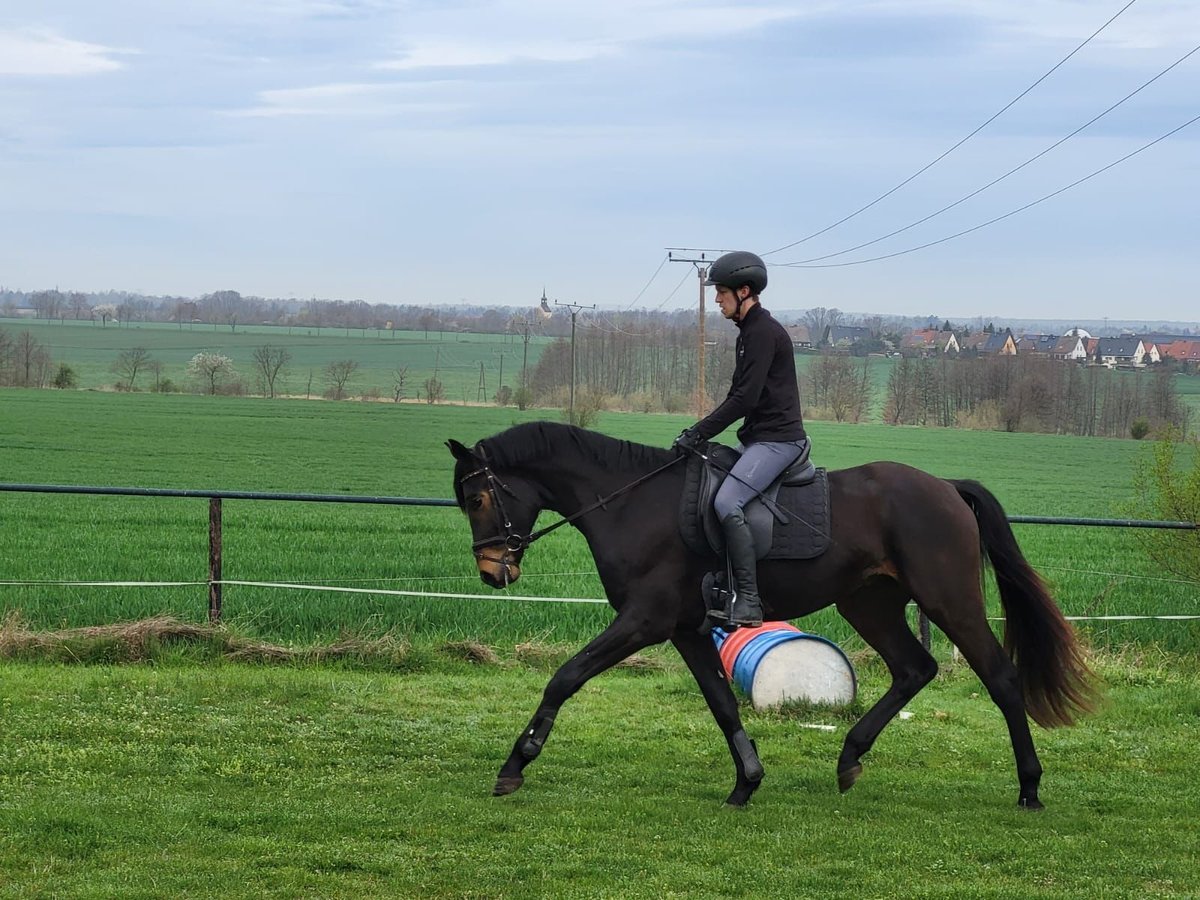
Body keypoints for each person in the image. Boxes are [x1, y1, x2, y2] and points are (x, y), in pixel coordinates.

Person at [673, 250, 808, 628]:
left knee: (728, 500)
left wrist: (698, 432)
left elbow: (743, 399)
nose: (716, 299)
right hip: (757, 439)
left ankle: (748, 599)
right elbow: (741, 396)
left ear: (744, 291)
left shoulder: (763, 333)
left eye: (722, 292)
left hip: (779, 441)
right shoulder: (749, 333)